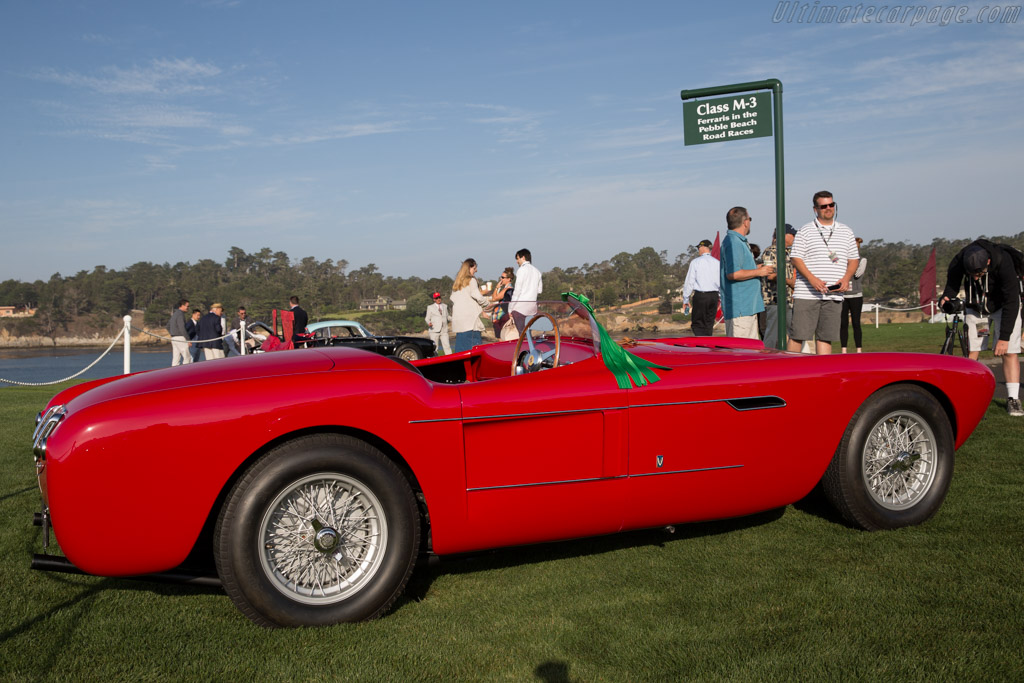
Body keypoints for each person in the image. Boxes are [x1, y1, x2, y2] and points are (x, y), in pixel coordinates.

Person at [940, 240, 1023, 416]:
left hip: (1003, 307)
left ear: (988, 262)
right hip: (977, 309)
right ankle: (969, 396)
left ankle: (1013, 399)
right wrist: (947, 296)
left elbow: (1012, 301)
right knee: (972, 351)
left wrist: (1004, 337)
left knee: (1009, 351)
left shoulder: (1003, 261)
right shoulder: (959, 260)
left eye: (979, 273)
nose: (976, 277)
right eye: (972, 274)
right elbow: (952, 284)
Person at [788, 191, 859, 354]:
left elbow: (854, 259)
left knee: (825, 337)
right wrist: (812, 279)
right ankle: (790, 371)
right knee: (798, 335)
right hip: (807, 294)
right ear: (815, 209)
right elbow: (796, 258)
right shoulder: (805, 230)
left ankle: (822, 374)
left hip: (834, 294)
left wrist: (846, 278)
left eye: (831, 205)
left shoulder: (846, 231)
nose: (828, 208)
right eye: (824, 206)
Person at [720, 207, 772, 339]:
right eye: (750, 219)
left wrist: (757, 268)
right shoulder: (733, 242)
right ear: (745, 222)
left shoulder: (737, 241)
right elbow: (733, 274)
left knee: (749, 352)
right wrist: (758, 272)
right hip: (741, 310)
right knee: (742, 353)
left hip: (746, 308)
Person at [761, 224, 797, 350]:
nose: (794, 237)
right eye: (792, 234)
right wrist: (790, 282)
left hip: (789, 300)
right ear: (783, 235)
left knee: (794, 333)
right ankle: (766, 361)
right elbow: (769, 275)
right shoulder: (770, 252)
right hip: (774, 300)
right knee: (772, 335)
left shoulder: (790, 252)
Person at [682, 239, 720, 337]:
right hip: (714, 296)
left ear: (703, 247)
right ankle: (708, 346)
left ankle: (701, 345)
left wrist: (686, 299)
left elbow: (689, 282)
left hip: (701, 296)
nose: (698, 250)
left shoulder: (696, 262)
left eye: (699, 248)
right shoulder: (717, 263)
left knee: (697, 324)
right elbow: (721, 282)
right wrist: (721, 298)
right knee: (709, 324)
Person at [451, 258, 489, 353]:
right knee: (475, 354)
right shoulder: (471, 280)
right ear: (469, 268)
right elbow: (477, 296)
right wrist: (487, 304)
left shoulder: (457, 284)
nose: (475, 271)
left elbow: (455, 299)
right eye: (474, 269)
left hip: (459, 325)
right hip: (470, 323)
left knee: (460, 355)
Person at [840, 237, 868, 353]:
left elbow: (857, 274)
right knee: (843, 323)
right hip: (843, 295)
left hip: (856, 295)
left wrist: (851, 264)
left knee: (856, 323)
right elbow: (832, 260)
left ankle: (858, 349)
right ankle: (844, 349)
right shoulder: (841, 260)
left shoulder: (862, 260)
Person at [509, 248, 542, 333]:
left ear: (523, 257)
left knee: (522, 335)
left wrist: (510, 309)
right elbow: (539, 290)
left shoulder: (521, 270)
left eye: (517, 258)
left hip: (520, 309)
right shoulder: (537, 271)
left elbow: (517, 291)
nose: (517, 261)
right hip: (532, 309)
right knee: (528, 334)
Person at [490, 267, 515, 339]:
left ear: (509, 279)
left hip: (502, 317)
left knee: (501, 338)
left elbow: (494, 298)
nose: (501, 279)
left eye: (503, 277)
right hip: (502, 317)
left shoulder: (507, 289)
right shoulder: (508, 289)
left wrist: (497, 288)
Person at [168, 299, 192, 366]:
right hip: (181, 338)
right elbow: (182, 328)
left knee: (176, 359)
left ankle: (174, 374)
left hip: (174, 338)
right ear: (182, 306)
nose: (188, 308)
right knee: (187, 358)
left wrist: (173, 332)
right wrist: (188, 339)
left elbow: (167, 326)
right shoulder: (180, 314)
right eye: (187, 306)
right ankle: (186, 373)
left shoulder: (174, 314)